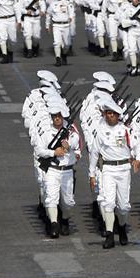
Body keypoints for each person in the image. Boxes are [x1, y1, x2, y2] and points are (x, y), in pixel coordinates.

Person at [87, 98, 140, 249]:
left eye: (113, 113)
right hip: (108, 170)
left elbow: (138, 146)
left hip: (124, 169)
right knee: (108, 203)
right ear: (104, 114)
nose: (110, 116)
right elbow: (94, 153)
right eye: (108, 113)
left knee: (123, 206)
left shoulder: (125, 130)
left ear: (118, 115)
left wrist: (138, 160)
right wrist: (91, 174)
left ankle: (122, 227)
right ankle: (110, 234)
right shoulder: (100, 131)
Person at [32, 98, 81, 238]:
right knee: (51, 199)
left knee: (68, 202)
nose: (57, 119)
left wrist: (68, 144)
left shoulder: (71, 130)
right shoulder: (46, 131)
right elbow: (39, 151)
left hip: (67, 170)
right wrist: (53, 153)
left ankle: (64, 219)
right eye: (54, 116)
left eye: (59, 116)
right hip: (52, 169)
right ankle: (54, 224)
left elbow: (76, 142)